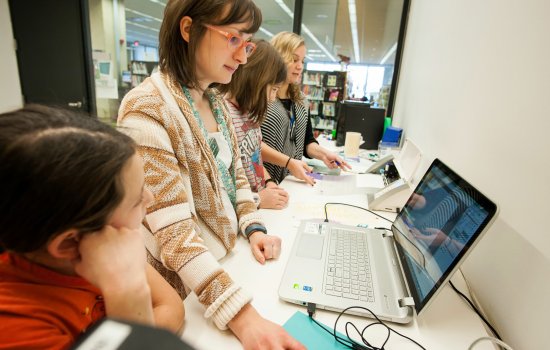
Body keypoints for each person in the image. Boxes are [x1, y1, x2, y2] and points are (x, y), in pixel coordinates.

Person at [117, 1, 304, 349]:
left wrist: (254, 226)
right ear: (188, 29)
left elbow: (238, 178)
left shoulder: (215, 101)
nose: (244, 57)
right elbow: (173, 232)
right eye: (233, 39)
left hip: (228, 263)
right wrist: (242, 316)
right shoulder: (147, 109)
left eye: (247, 44)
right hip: (184, 291)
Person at [0, 105, 184, 349]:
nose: (150, 198)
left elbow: (171, 306)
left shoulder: (101, 244)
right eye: (136, 199)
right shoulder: (18, 327)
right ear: (69, 242)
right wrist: (127, 294)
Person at [219, 39, 311, 210]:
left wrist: (268, 182)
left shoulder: (249, 114)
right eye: (273, 89)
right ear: (255, 80)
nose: (272, 98)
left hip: (259, 205)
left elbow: (254, 152)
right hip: (248, 210)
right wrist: (257, 199)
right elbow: (221, 191)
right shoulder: (223, 116)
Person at [261, 31, 351, 184]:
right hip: (264, 183)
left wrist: (323, 154)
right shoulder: (262, 96)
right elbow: (251, 144)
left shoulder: (301, 100)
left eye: (302, 61)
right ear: (278, 57)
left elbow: (306, 141)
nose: (299, 66)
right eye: (294, 59)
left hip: (292, 182)